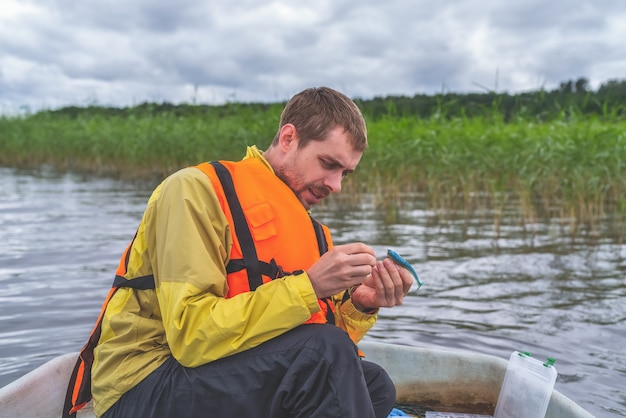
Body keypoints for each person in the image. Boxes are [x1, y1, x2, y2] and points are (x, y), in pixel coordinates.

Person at [65, 87, 414, 418]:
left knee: (374, 386)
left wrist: (362, 303)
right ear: (289, 138)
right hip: (144, 383)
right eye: (328, 163)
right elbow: (190, 336)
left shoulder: (313, 232)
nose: (336, 185)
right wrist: (309, 286)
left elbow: (311, 335)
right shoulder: (194, 192)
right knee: (324, 355)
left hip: (217, 371)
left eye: (345, 173)